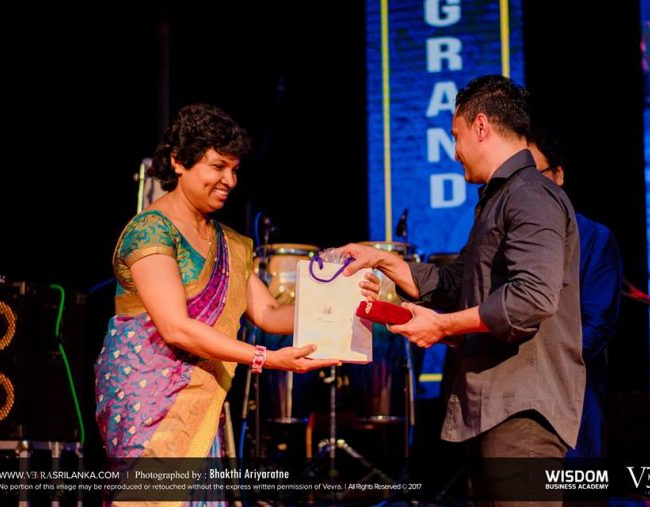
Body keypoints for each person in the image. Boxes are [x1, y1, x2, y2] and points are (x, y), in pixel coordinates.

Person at [339, 76, 585, 501]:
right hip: (495, 408)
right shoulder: (500, 199)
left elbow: (530, 298)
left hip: (521, 410)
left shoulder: (530, 195)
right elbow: (456, 284)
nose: (454, 152)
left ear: (482, 126)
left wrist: (443, 327)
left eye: (456, 136)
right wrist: (383, 260)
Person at [94, 104, 379, 467]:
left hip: (200, 399)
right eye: (218, 166)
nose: (229, 180)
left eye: (234, 169)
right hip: (146, 399)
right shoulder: (151, 230)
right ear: (179, 161)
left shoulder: (229, 244)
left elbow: (269, 312)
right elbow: (176, 328)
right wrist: (267, 358)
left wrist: (346, 304)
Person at [528, 127, 623, 458]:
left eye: (534, 176)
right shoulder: (505, 239)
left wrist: (533, 368)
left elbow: (596, 326)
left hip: (572, 406)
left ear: (558, 175)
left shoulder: (595, 239)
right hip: (511, 410)